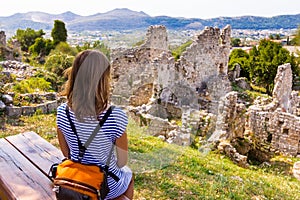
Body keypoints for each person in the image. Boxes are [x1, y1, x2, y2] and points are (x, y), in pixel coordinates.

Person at [56, 50, 134, 200]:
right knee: (128, 176)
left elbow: (66, 154)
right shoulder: (115, 116)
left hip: (75, 179)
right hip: (103, 186)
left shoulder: (62, 112)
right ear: (103, 80)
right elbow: (122, 161)